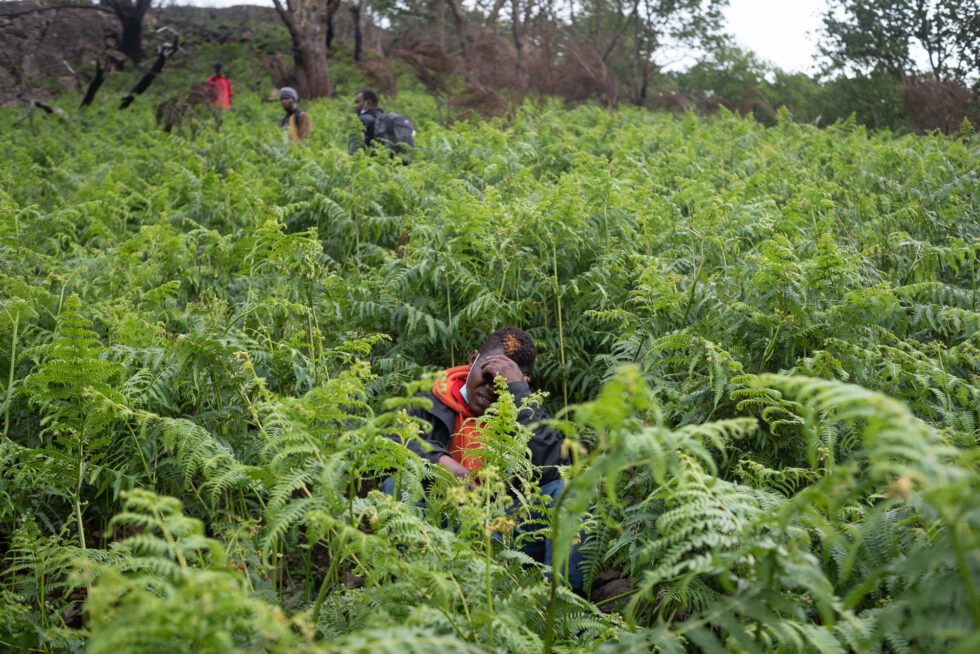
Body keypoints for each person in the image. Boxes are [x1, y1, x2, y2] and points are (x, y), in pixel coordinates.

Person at [382, 327, 584, 593]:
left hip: (506, 533)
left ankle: (561, 607)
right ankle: (411, 595)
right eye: (488, 375)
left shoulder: (527, 411)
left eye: (503, 382)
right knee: (397, 485)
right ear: (472, 359)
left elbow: (557, 469)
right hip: (438, 529)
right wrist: (440, 463)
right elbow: (390, 444)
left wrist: (518, 394)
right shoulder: (427, 402)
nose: (492, 388)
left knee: (570, 492)